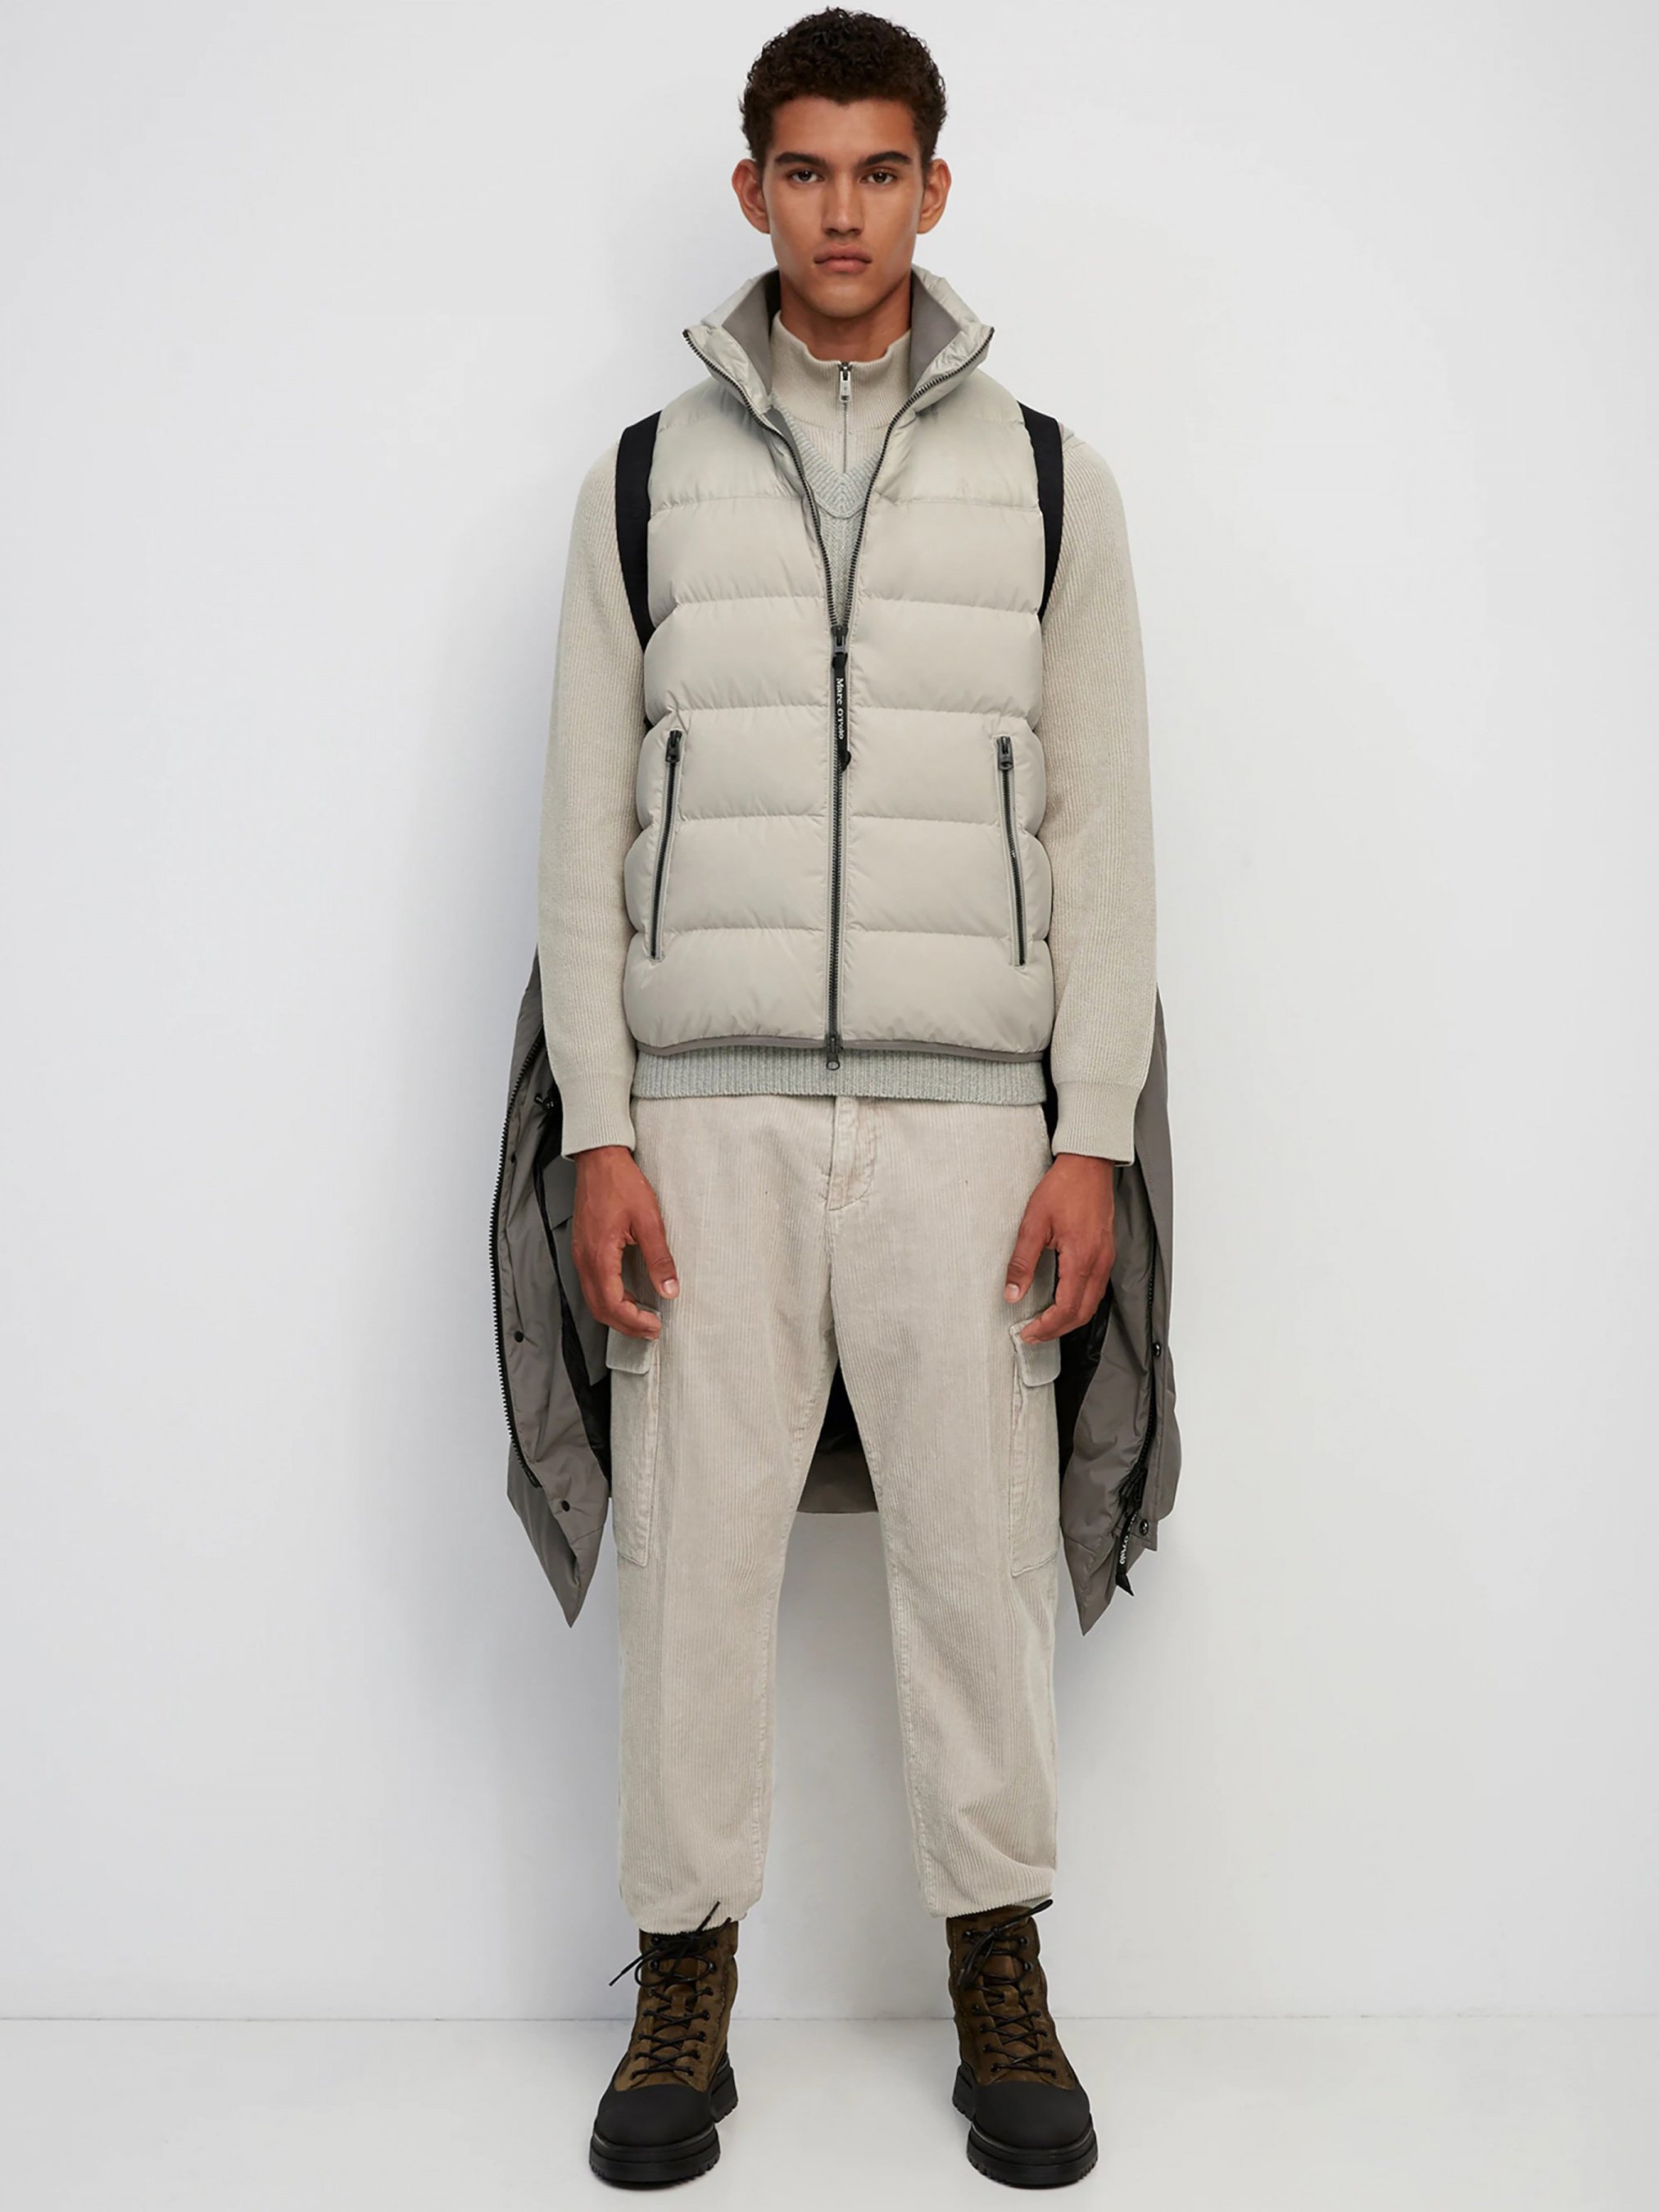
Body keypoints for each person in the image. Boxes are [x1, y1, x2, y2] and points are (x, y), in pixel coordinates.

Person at [535, 8, 1157, 2189]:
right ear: (753, 191)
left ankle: (1002, 1967)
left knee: (977, 1562)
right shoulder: (640, 480)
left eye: (878, 171)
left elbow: (1101, 829)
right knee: (693, 1563)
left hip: (967, 1120)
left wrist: (1092, 1132)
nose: (840, 212)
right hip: (699, 1114)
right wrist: (598, 1123)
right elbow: (580, 828)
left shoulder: (1052, 480)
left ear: (932, 189)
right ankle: (678, 1986)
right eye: (803, 171)